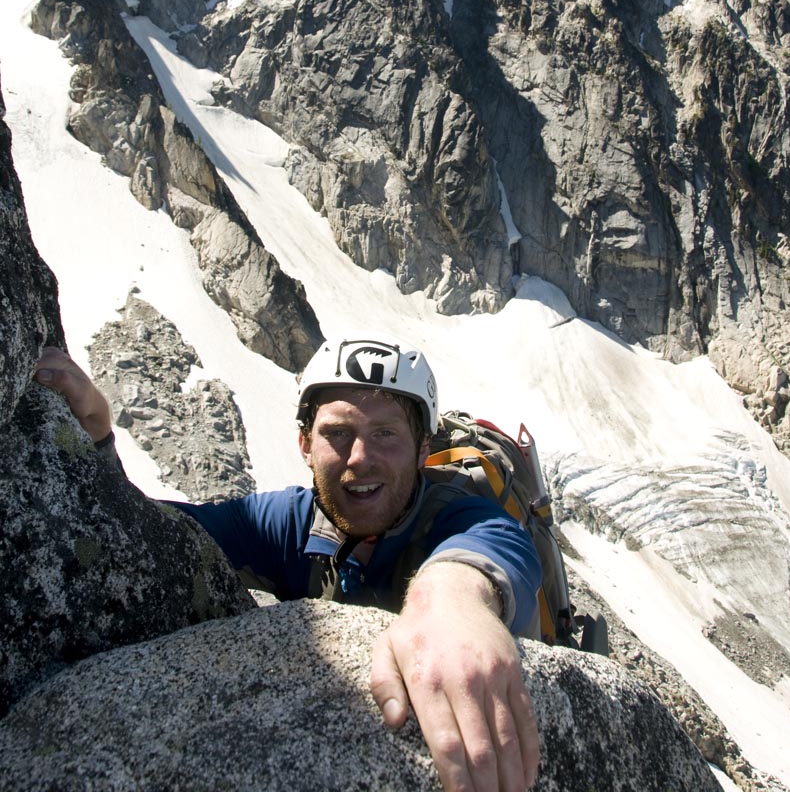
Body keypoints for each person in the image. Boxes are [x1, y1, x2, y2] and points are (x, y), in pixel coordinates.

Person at [34, 336, 542, 792]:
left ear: (422, 451)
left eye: (386, 434)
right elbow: (159, 535)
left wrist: (450, 600)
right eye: (338, 433)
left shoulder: (455, 511)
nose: (360, 456)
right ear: (304, 445)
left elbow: (499, 542)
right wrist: (99, 441)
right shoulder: (290, 522)